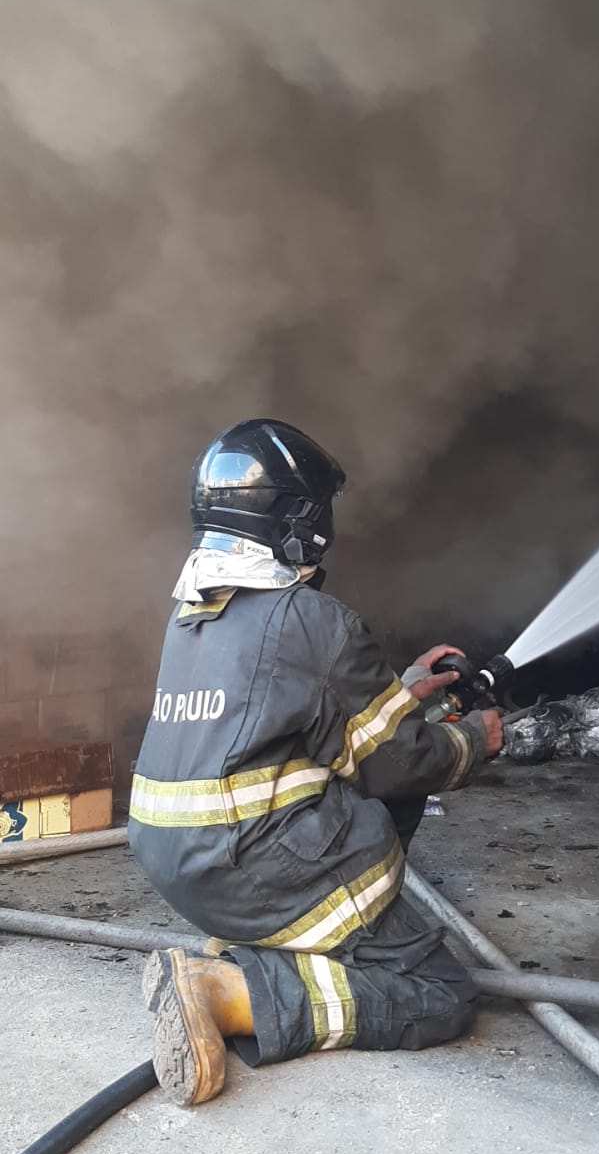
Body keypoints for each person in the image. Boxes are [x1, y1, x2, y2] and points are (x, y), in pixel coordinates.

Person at [129, 418, 504, 1107]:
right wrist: (475, 740)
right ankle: (231, 990)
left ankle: (247, 951)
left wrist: (403, 687)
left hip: (184, 869)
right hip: (252, 867)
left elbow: (295, 708)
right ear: (295, 519)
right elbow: (400, 763)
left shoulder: (190, 614)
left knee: (343, 777)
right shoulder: (311, 617)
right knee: (438, 992)